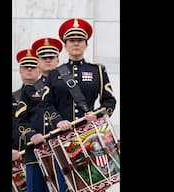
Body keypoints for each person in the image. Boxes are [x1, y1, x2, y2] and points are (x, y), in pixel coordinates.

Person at [43, 18, 117, 131]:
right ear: (65, 46)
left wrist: (97, 115)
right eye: (71, 40)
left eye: (80, 40)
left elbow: (109, 100)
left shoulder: (98, 71)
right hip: (61, 134)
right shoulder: (54, 73)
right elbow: (46, 103)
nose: (76, 43)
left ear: (86, 45)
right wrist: (58, 121)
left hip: (89, 133)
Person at [15, 37, 64, 192]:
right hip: (35, 153)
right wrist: (31, 135)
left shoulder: (67, 86)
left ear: (58, 60)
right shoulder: (29, 90)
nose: (48, 61)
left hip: (63, 149)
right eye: (44, 58)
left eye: (51, 58)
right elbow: (20, 121)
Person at [12, 49, 41, 192]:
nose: (29, 69)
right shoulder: (13, 96)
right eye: (25, 66)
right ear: (20, 70)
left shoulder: (49, 94)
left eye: (33, 66)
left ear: (40, 69)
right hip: (15, 159)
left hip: (41, 153)